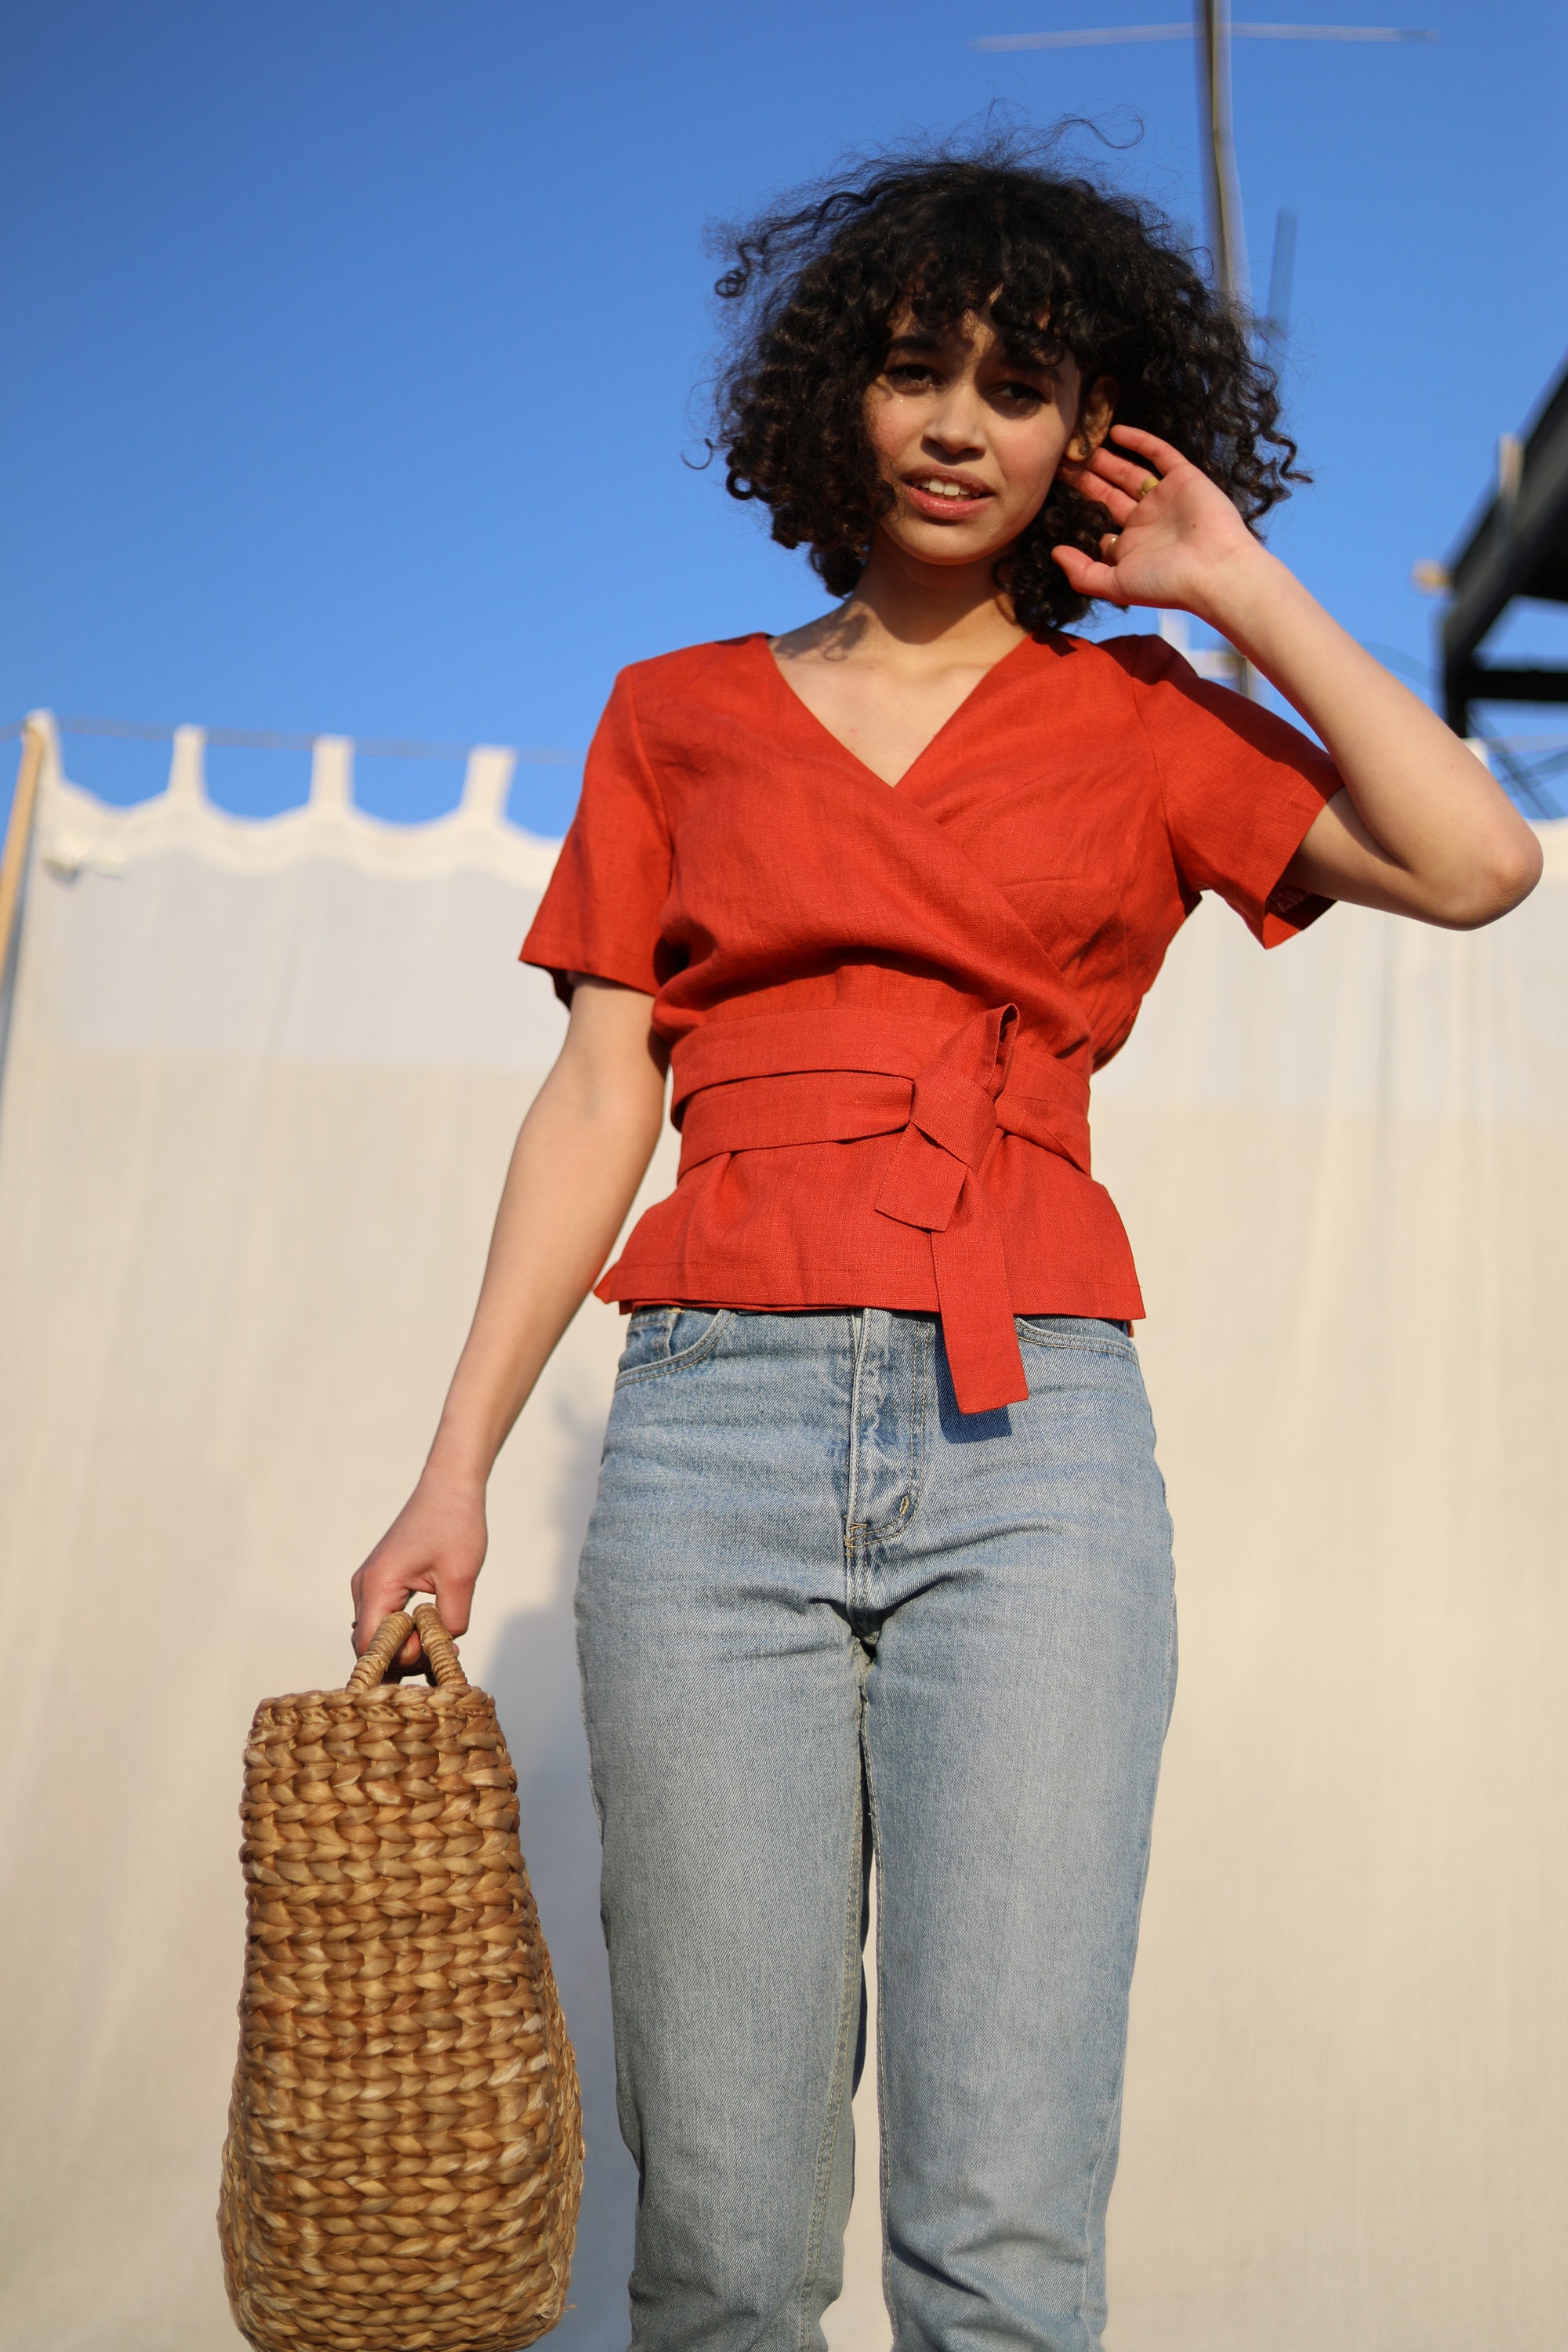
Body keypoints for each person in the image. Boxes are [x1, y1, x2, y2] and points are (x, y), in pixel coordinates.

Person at [352, 138, 1540, 2352]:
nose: (961, 421)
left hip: (1038, 1449)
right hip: (708, 1444)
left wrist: (1236, 586)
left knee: (999, 2240)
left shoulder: (1151, 719)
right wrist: (454, 1468)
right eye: (917, 369)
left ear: (1098, 430)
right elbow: (602, 1093)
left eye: (1022, 381)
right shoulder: (674, 713)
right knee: (720, 2238)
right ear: (839, 399)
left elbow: (1480, 862)